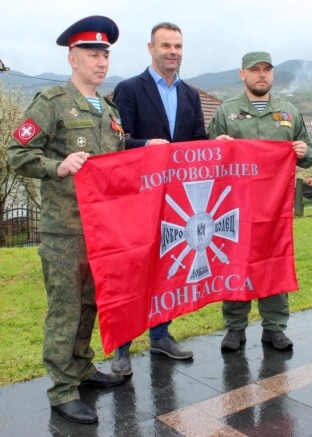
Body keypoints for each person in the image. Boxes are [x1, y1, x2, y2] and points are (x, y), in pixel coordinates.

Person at [8, 15, 127, 425]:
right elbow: (16, 153)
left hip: (102, 229)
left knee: (91, 303)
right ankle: (62, 390)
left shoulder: (108, 109)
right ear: (72, 57)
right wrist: (56, 167)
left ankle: (81, 368)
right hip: (66, 230)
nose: (101, 61)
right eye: (92, 54)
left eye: (104, 54)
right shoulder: (52, 103)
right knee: (65, 309)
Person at [109, 22, 206, 376]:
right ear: (150, 48)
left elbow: (197, 143)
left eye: (178, 46)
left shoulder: (191, 95)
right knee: (131, 270)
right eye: (166, 45)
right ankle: (122, 347)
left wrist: (219, 145)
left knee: (168, 265)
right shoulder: (128, 90)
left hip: (175, 200)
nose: (173, 52)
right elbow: (118, 142)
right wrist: (145, 146)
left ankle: (161, 335)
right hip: (136, 197)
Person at [207, 51, 312, 351]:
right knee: (235, 264)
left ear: (273, 75)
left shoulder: (289, 113)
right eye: (255, 70)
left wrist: (303, 151)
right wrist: (217, 147)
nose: (261, 75)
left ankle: (275, 327)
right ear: (242, 74)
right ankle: (235, 328)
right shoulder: (225, 113)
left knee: (274, 263)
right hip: (234, 208)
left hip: (275, 208)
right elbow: (207, 159)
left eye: (267, 70)